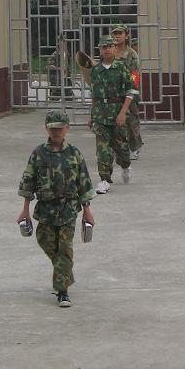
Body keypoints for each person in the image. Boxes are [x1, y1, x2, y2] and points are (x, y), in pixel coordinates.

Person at [17, 109, 96, 308]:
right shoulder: (38, 154)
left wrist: (87, 211)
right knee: (47, 243)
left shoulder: (74, 154)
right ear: (46, 128)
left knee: (65, 250)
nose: (56, 131)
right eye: (53, 128)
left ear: (67, 128)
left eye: (60, 128)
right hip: (46, 211)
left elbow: (84, 183)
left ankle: (63, 292)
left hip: (68, 210)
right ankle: (66, 274)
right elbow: (28, 182)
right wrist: (25, 210)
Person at [87, 34, 138, 194]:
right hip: (101, 114)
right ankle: (105, 180)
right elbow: (94, 94)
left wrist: (123, 112)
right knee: (103, 150)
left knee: (121, 148)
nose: (107, 49)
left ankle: (125, 165)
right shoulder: (95, 70)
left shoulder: (122, 68)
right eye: (104, 47)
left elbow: (130, 92)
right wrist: (92, 115)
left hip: (117, 114)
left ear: (116, 48)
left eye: (110, 46)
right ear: (100, 49)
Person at [112, 24, 144, 160]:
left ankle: (135, 147)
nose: (117, 36)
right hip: (113, 94)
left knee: (131, 122)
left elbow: (134, 77)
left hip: (129, 94)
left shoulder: (131, 55)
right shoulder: (110, 52)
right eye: (115, 34)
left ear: (126, 36)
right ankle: (116, 147)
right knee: (114, 121)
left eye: (120, 33)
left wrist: (127, 90)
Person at [47, 37, 74, 101]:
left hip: (66, 79)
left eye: (64, 41)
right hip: (57, 80)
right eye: (61, 42)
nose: (63, 43)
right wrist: (60, 69)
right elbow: (49, 66)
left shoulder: (67, 53)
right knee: (54, 99)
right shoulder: (55, 54)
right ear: (58, 43)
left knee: (70, 98)